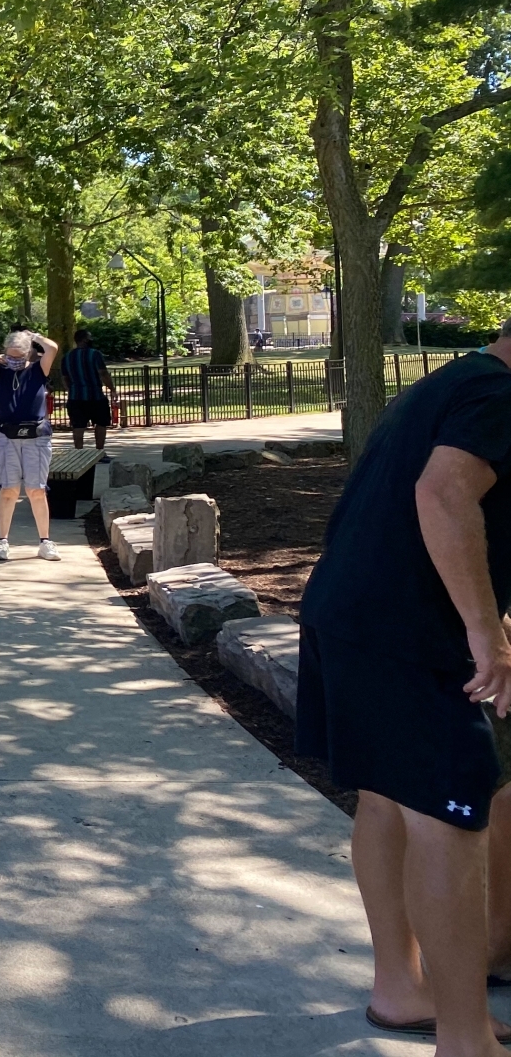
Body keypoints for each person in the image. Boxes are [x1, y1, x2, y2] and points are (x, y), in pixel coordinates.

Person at [295, 319, 511, 1051]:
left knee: (387, 801)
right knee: (452, 819)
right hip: (409, 634)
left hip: (347, 615)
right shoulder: (499, 397)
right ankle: (466, 1037)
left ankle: (400, 988)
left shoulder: (452, 382)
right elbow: (443, 496)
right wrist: (486, 632)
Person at [0, 330, 62, 563]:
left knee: (37, 490)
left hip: (36, 437)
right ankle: (3, 541)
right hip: (5, 436)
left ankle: (45, 541)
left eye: (19, 356)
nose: (14, 360)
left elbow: (52, 348)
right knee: (8, 489)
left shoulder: (38, 369)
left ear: (28, 353)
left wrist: (35, 337)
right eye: (10, 356)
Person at [60, 329, 118, 450]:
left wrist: (71, 389)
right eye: (90, 337)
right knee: (101, 423)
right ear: (85, 339)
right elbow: (103, 373)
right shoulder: (95, 354)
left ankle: (79, 452)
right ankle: (99, 451)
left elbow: (65, 378)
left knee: (78, 426)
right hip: (95, 396)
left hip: (75, 397)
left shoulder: (67, 356)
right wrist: (112, 389)